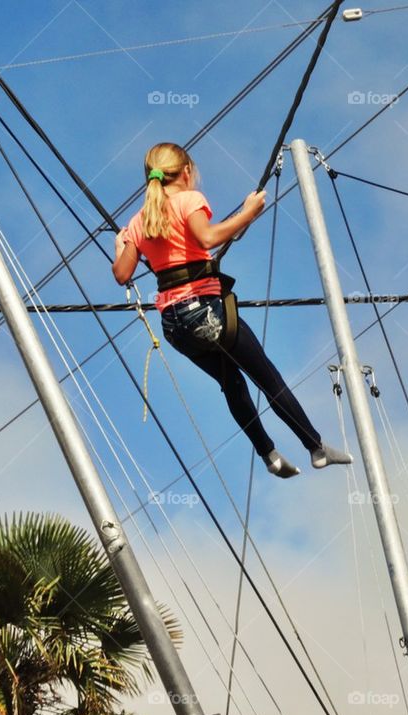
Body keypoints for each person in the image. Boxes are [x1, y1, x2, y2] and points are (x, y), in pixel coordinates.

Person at [112, 142, 352, 477]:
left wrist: (122, 245)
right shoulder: (188, 200)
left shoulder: (138, 223)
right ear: (185, 172)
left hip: (175, 328)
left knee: (232, 384)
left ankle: (269, 455)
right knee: (266, 376)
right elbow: (207, 238)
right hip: (207, 313)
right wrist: (248, 213)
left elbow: (122, 274)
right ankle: (315, 447)